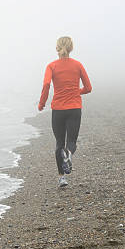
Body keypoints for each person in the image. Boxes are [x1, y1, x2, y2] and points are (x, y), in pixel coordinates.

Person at [38, 36, 92, 187]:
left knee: (59, 143)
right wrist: (75, 92)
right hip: (74, 108)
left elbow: (47, 85)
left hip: (58, 109)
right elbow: (88, 88)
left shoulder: (51, 66)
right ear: (71, 48)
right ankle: (69, 154)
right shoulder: (78, 65)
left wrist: (42, 103)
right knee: (71, 142)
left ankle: (62, 178)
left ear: (57, 48)